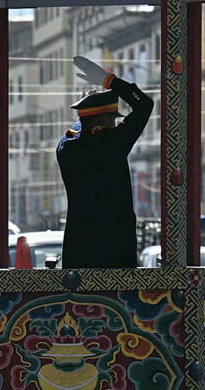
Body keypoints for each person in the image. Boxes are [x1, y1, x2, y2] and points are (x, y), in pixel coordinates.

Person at [57, 62, 154, 270]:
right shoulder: (114, 144)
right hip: (117, 252)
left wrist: (85, 108)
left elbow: (74, 132)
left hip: (79, 253)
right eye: (113, 118)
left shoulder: (67, 150)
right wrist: (108, 81)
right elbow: (144, 105)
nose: (116, 124)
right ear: (103, 120)